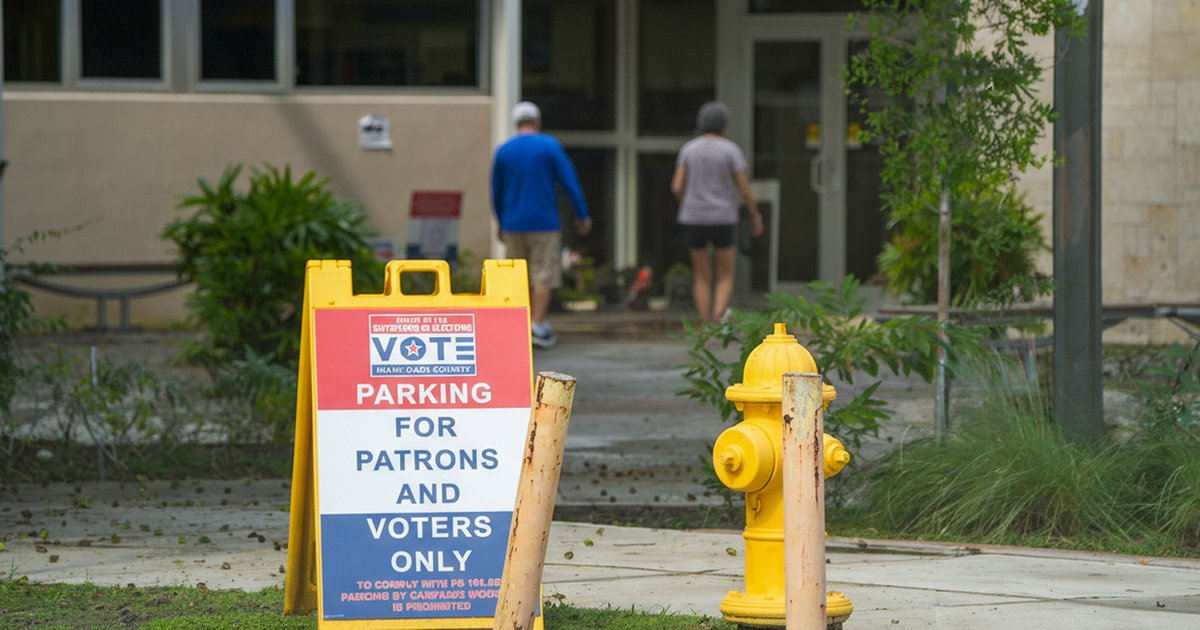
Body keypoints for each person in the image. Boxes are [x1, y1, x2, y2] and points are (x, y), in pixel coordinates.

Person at [491, 101, 592, 349]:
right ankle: (537, 325)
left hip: (513, 223)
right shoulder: (549, 146)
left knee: (517, 276)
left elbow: (496, 190)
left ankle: (516, 325)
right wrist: (582, 213)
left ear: (516, 124)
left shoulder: (504, 150)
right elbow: (569, 181)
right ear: (537, 121)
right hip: (544, 222)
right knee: (543, 275)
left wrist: (500, 221)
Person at [671, 101, 762, 324]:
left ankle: (704, 326)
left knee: (701, 275)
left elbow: (676, 186)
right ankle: (718, 316)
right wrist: (754, 216)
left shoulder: (689, 149)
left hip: (693, 219)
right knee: (725, 274)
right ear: (725, 126)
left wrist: (689, 202)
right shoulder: (731, 150)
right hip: (723, 218)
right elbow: (744, 189)